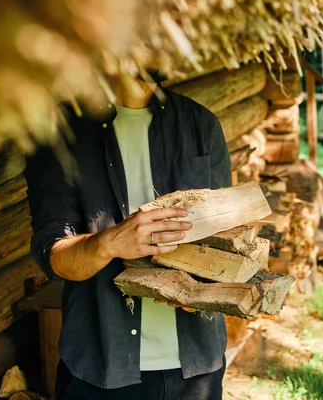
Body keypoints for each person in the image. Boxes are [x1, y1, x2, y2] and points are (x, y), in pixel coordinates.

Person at [25, 68, 232, 400]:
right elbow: (54, 256)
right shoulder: (59, 131)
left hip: (197, 365)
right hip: (101, 368)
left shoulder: (200, 124)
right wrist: (110, 243)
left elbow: (223, 232)